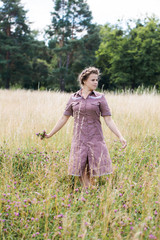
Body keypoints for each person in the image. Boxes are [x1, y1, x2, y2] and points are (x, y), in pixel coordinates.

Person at [44, 67, 127, 188]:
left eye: (96, 80)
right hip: (79, 138)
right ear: (84, 81)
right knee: (81, 165)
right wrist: (50, 134)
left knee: (92, 165)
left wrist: (120, 136)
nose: (96, 82)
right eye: (92, 80)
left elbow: (108, 119)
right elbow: (64, 118)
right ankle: (89, 189)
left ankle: (88, 190)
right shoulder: (74, 98)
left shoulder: (100, 97)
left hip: (95, 137)